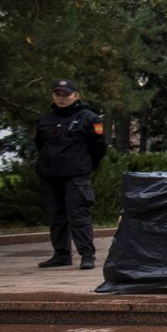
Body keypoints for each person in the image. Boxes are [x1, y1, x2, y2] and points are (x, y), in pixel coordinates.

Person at [34, 78, 106, 270]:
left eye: (66, 94)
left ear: (76, 95)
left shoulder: (89, 118)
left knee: (78, 215)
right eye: (57, 94)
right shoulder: (45, 120)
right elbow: (40, 145)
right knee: (56, 216)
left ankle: (87, 254)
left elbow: (98, 147)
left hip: (75, 175)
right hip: (50, 176)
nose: (61, 98)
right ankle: (61, 254)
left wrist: (84, 165)